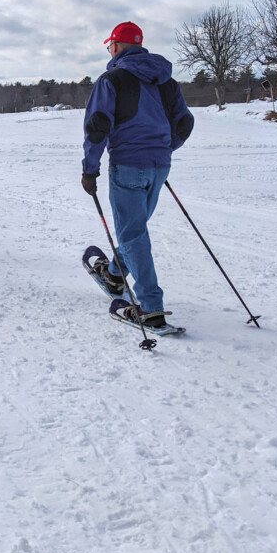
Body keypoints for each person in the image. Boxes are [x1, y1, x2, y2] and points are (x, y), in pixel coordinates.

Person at [81, 21, 194, 327]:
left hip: (128, 166)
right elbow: (184, 123)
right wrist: (162, 149)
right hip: (159, 166)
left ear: (116, 47)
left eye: (110, 46)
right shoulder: (167, 81)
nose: (110, 51)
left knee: (132, 234)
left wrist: (89, 170)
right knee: (134, 230)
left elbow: (97, 127)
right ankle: (114, 276)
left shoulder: (111, 79)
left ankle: (150, 307)